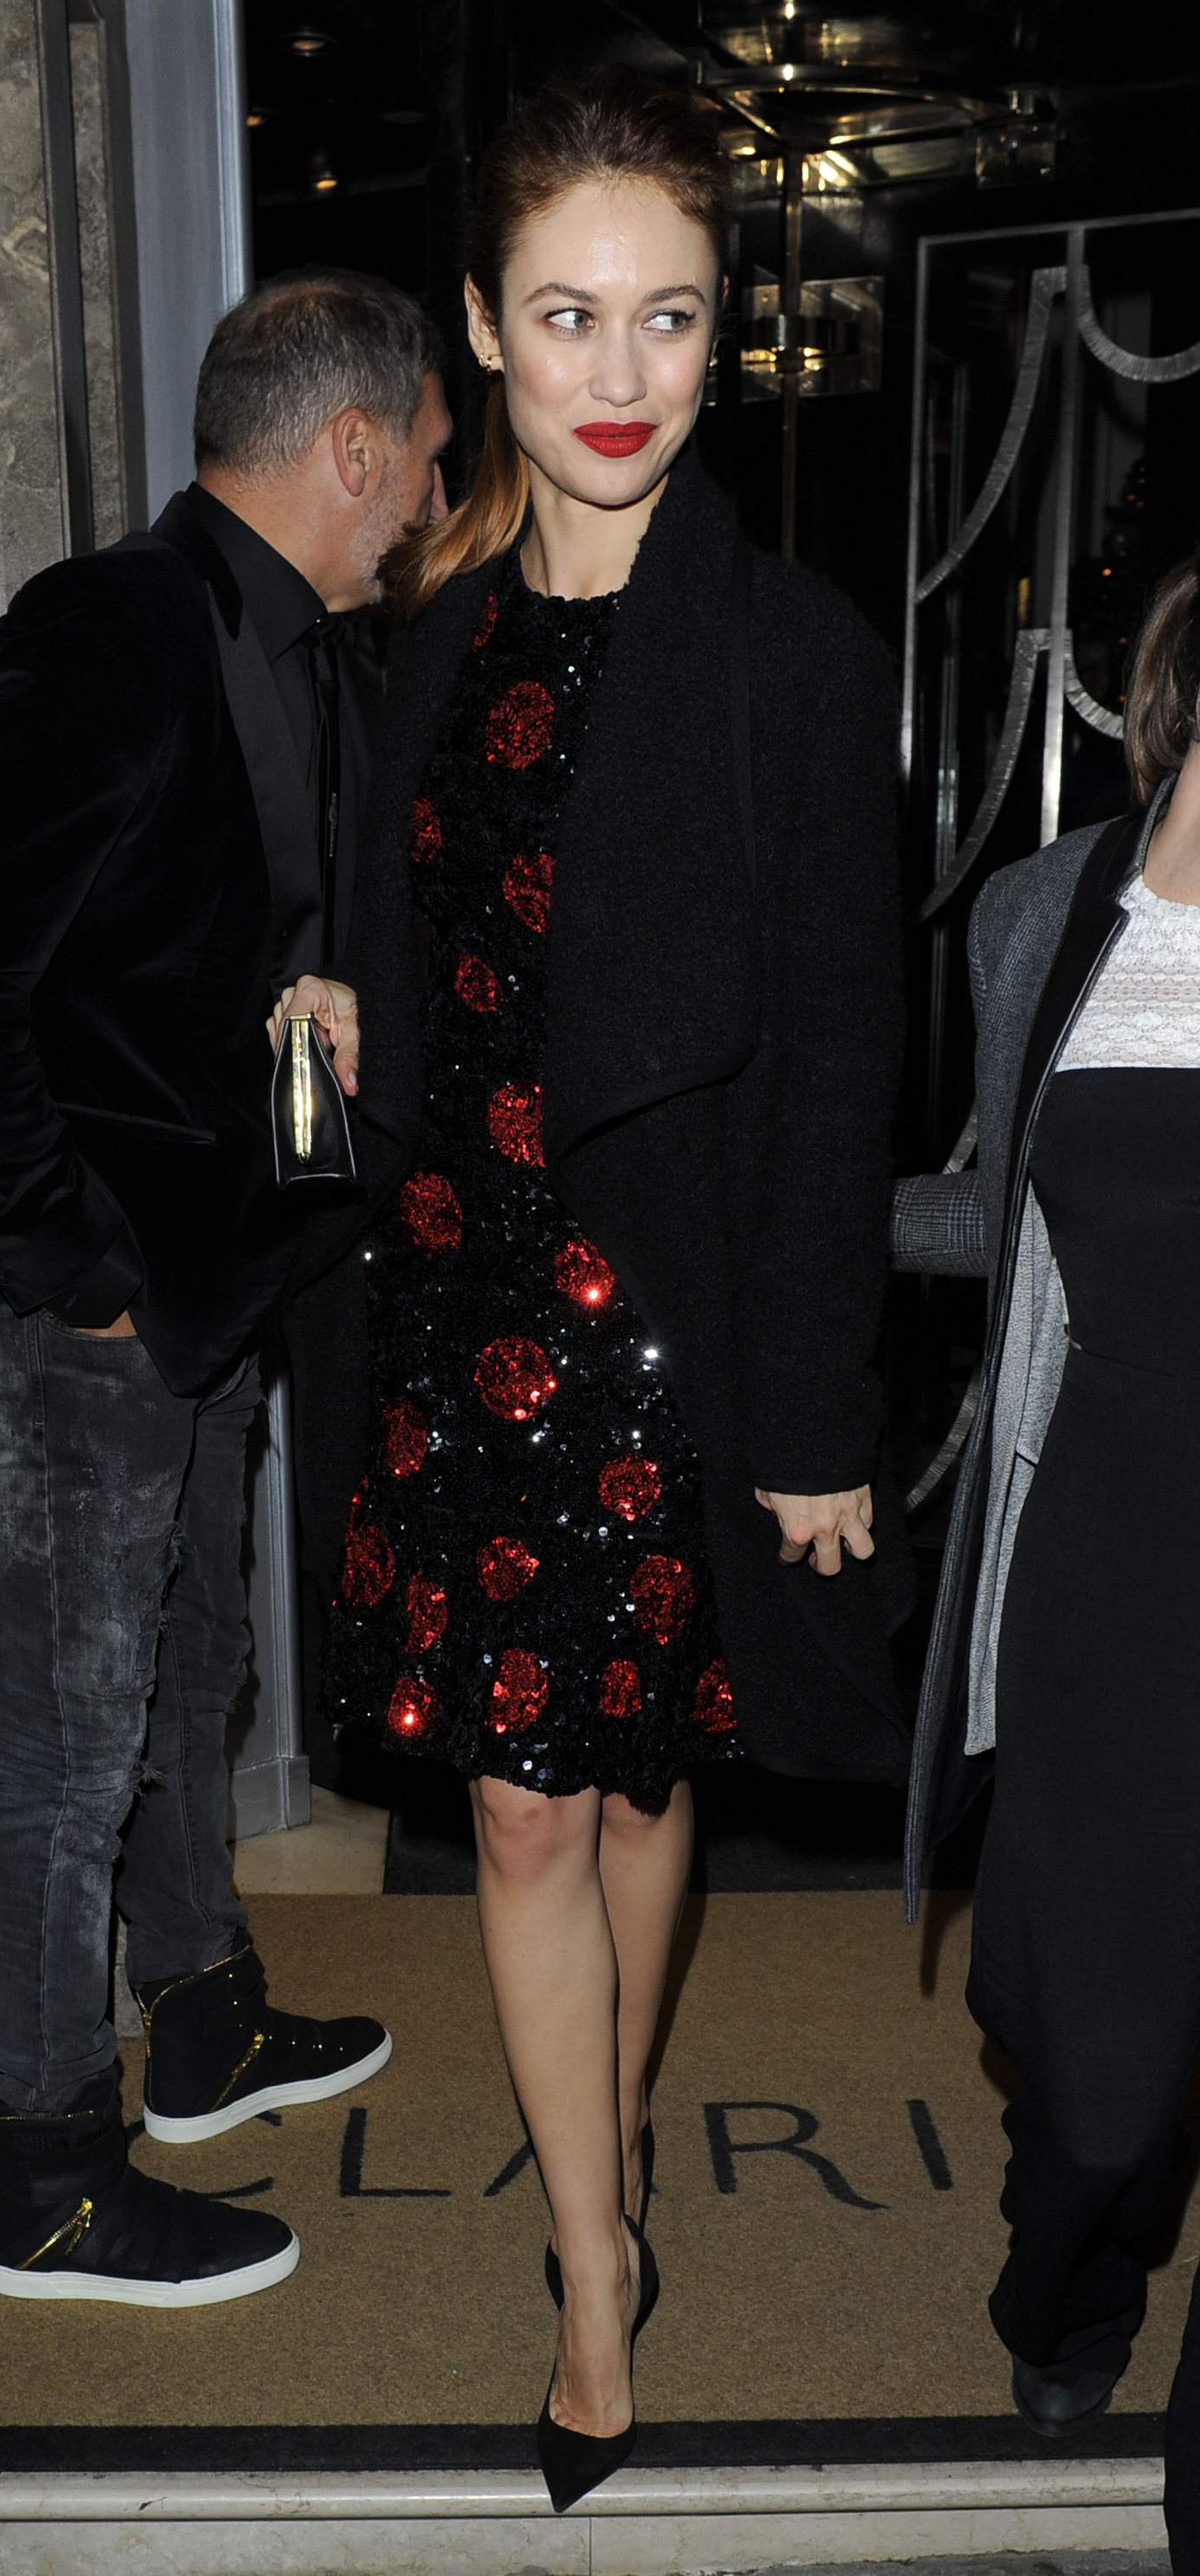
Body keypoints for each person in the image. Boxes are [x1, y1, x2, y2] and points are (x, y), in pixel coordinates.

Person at [279, 72, 905, 2507]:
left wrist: (817, 1415)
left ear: (721, 328)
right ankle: (589, 2260)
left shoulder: (792, 654)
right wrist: (348, 1005)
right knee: (518, 1811)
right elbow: (424, 922)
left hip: (671, 1315)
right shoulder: (428, 635)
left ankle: (609, 2126)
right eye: (564, 316)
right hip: (464, 1304)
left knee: (641, 1775)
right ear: (480, 326)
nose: (618, 369)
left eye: (665, 314)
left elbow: (842, 1056)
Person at [0, 271, 451, 2308]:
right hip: (66, 1309)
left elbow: (169, 945)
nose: (429, 500)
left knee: (191, 1676)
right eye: (424, 459)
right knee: (69, 1737)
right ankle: (43, 2173)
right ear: (352, 445)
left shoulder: (294, 647)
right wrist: (74, 1272)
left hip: (198, 1286)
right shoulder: (112, 628)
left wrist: (303, 1006)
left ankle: (199, 2017)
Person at [895, 555, 1200, 2568]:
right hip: (1106, 1539)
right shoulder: (1042, 917)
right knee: (1101, 2062)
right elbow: (990, 1217)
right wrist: (771, 1225)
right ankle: (1069, 2274)